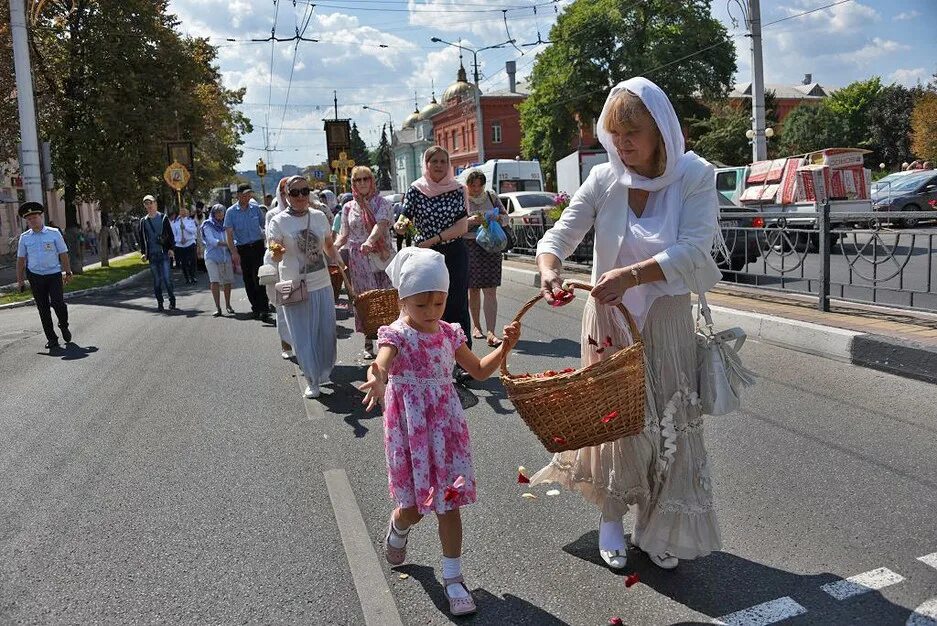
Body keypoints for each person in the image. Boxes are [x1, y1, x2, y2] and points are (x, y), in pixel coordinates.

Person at [530, 77, 724, 571]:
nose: (622, 143)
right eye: (615, 133)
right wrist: (550, 268)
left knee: (669, 423)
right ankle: (611, 519)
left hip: (666, 319)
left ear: (660, 129)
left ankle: (659, 527)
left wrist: (634, 273)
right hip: (610, 320)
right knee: (616, 421)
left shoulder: (694, 175)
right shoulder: (604, 178)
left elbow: (695, 249)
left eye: (633, 132)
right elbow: (561, 233)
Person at [359, 247, 520, 617]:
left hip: (446, 427)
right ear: (403, 301)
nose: (432, 312)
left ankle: (453, 577)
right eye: (422, 305)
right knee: (414, 507)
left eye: (439, 302)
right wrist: (377, 377)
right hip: (411, 431)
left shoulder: (450, 333)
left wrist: (506, 348)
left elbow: (479, 370)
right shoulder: (396, 334)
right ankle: (398, 526)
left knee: (449, 502)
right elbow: (381, 362)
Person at [396, 146, 472, 380]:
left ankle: (463, 362)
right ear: (426, 164)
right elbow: (405, 217)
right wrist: (400, 225)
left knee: (457, 305)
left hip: (453, 252)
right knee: (428, 305)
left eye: (443, 161)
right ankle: (432, 358)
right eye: (433, 161)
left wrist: (433, 240)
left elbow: (462, 226)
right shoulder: (416, 189)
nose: (439, 165)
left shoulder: (458, 189)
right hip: (425, 258)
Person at [268, 175, 346, 399]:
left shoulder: (320, 217)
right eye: (295, 192)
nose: (301, 196)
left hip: (321, 282)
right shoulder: (278, 221)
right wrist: (277, 252)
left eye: (305, 191)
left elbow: (329, 246)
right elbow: (274, 250)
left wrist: (339, 262)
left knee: (326, 332)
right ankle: (311, 379)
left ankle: (323, 370)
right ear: (286, 196)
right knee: (302, 335)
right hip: (292, 283)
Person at [334, 165, 395, 358]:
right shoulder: (348, 207)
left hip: (381, 256)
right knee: (365, 300)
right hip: (358, 259)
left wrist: (370, 241)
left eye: (365, 179)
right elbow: (344, 234)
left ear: (372, 181)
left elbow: (381, 224)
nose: (362, 183)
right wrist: (331, 248)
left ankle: (389, 343)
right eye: (357, 180)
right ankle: (369, 342)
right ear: (353, 183)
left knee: (386, 300)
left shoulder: (381, 202)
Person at [15, 202, 73, 349]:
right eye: (29, 219)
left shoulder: (53, 233)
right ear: (26, 221)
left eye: (34, 217)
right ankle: (52, 338)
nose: (32, 221)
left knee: (58, 303)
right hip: (35, 276)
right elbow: (21, 260)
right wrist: (20, 280)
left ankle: (63, 324)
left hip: (53, 274)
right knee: (43, 308)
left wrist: (67, 271)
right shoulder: (25, 238)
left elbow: (63, 254)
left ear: (41, 217)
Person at [462, 170, 509, 348]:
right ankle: (476, 326)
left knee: (490, 290)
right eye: (472, 185)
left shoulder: (491, 196)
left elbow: (506, 218)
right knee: (472, 289)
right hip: (470, 246)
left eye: (479, 185)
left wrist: (497, 217)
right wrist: (471, 221)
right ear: (467, 185)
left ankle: (491, 332)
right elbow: (455, 224)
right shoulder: (462, 199)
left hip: (491, 247)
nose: (475, 188)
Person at [225, 183, 272, 322]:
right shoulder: (231, 212)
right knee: (248, 279)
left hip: (257, 246)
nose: (246, 197)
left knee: (260, 278)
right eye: (244, 194)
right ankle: (256, 307)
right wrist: (234, 252)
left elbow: (265, 226)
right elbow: (229, 235)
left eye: (249, 194)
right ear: (238, 195)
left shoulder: (255, 209)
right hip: (243, 249)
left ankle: (264, 308)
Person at [263, 177, 294, 358]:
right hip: (278, 264)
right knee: (282, 306)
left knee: (299, 305)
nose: (287, 195)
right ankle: (286, 344)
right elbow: (271, 241)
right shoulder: (272, 215)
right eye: (283, 192)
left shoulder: (306, 212)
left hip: (298, 266)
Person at [137, 194, 176, 312]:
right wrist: (144, 253)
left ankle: (172, 300)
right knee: (157, 280)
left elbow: (170, 235)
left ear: (155, 204)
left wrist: (171, 249)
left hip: (163, 253)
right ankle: (160, 302)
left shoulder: (163, 218)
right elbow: (142, 238)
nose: (149, 206)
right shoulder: (143, 221)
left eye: (151, 203)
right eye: (146, 204)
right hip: (152, 255)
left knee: (167, 278)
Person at [202, 203, 235, 317]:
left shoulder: (227, 224)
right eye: (217, 212)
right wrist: (229, 244)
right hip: (212, 257)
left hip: (226, 256)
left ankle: (228, 305)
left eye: (222, 212)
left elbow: (233, 238)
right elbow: (212, 241)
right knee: (214, 281)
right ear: (213, 213)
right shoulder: (207, 225)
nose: (220, 214)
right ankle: (218, 307)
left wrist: (232, 245)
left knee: (227, 281)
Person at [170, 207, 198, 284]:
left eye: (185, 211)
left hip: (190, 243)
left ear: (187, 213)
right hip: (180, 245)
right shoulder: (175, 223)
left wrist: (185, 228)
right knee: (184, 263)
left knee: (192, 261)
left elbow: (194, 231)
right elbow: (173, 235)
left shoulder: (191, 221)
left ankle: (193, 276)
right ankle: (187, 278)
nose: (183, 212)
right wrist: (179, 240)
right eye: (181, 211)